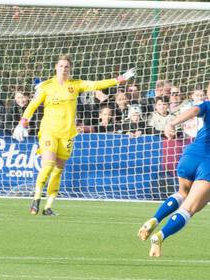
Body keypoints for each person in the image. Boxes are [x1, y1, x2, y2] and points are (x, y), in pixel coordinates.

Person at [14, 55, 135, 216]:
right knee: (48, 165)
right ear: (56, 67)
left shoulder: (75, 85)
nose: (63, 69)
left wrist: (118, 80)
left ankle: (48, 207)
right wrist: (23, 122)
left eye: (66, 67)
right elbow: (33, 104)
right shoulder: (46, 86)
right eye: (61, 66)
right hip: (49, 131)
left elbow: (96, 84)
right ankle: (36, 199)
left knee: (58, 170)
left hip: (67, 134)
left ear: (70, 70)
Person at [138, 71, 210, 257]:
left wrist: (172, 123)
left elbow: (194, 110)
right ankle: (160, 236)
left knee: (182, 193)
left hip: (192, 154)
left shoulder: (208, 104)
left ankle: (154, 219)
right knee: (189, 208)